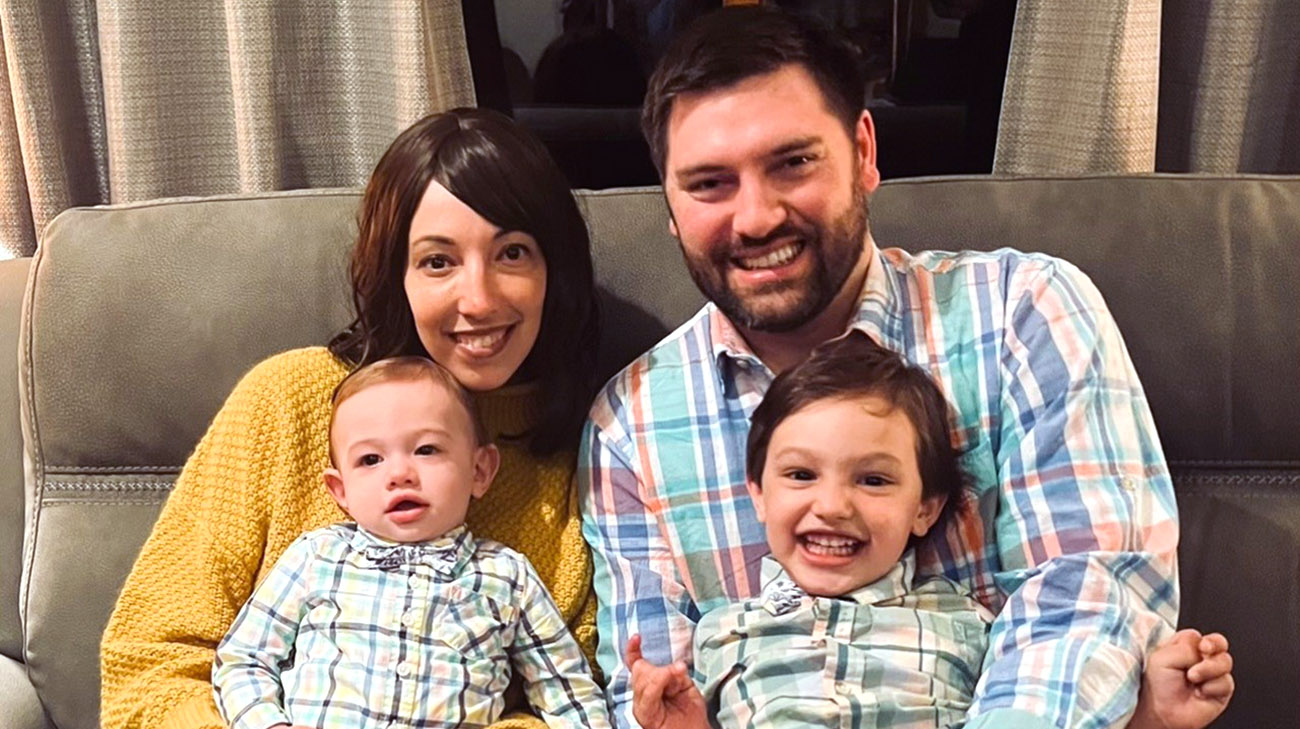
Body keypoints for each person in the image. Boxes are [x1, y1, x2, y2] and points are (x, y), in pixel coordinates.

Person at [578, 7, 1230, 728]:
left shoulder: (1024, 313)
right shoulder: (629, 425)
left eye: (792, 162)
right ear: (668, 206)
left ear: (862, 151)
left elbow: (1086, 597)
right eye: (709, 184)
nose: (756, 217)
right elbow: (651, 687)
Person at [101, 108, 601, 729]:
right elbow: (147, 663)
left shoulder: (586, 449)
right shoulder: (289, 400)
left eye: (513, 253)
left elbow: (576, 693)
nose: (479, 298)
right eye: (438, 261)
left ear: (555, 270)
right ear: (397, 274)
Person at [621, 333, 1233, 729]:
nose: (831, 505)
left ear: (927, 508)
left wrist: (1153, 711)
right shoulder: (724, 632)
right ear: (757, 494)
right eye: (801, 474)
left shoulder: (970, 625)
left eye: (875, 482)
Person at [212, 357, 610, 729]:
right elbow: (243, 659)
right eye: (370, 460)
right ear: (340, 490)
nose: (400, 474)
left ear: (480, 470)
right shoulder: (316, 557)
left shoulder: (507, 576)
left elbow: (566, 691)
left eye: (426, 450)